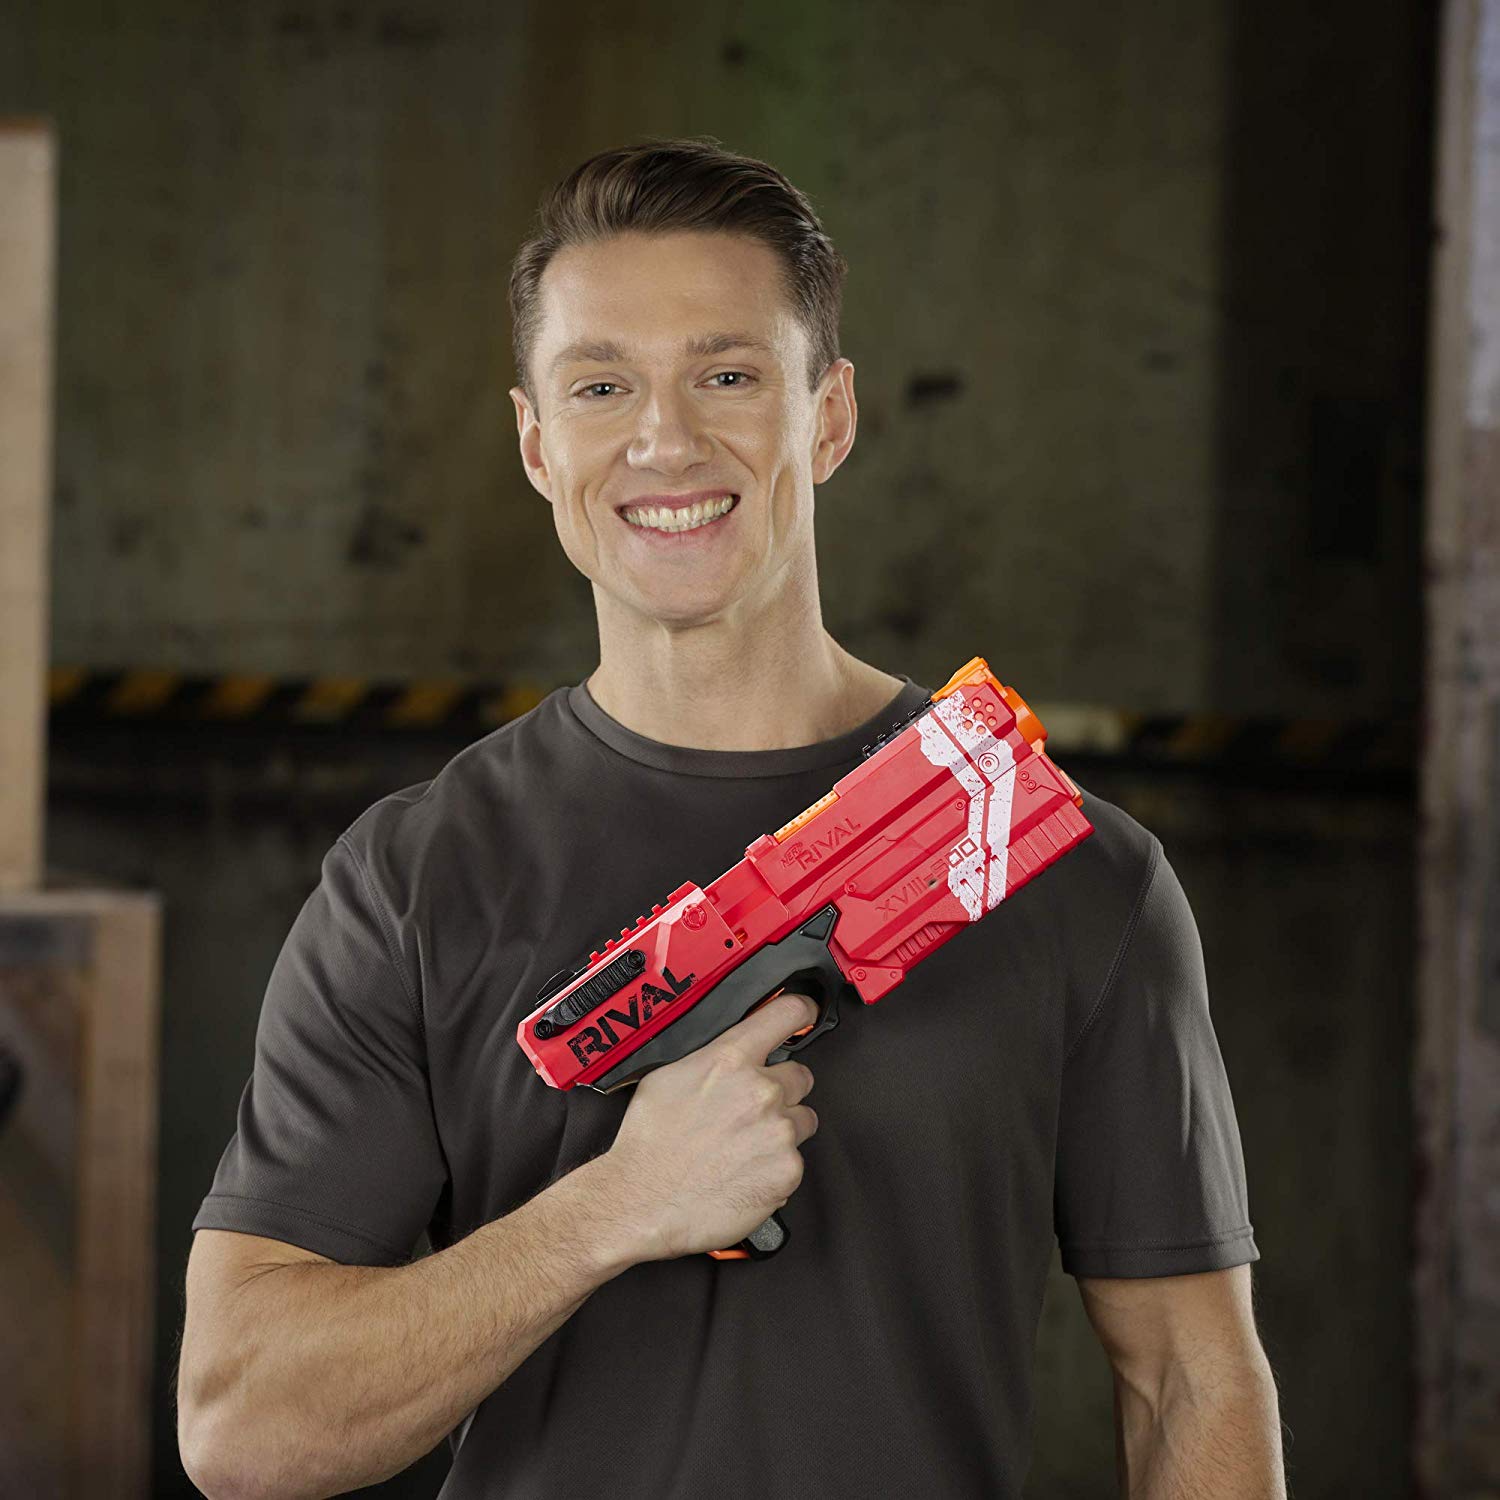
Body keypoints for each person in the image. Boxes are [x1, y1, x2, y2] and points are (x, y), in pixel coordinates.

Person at [177, 136, 1284, 1499]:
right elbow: (240, 1429)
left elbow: (1191, 1379)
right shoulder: (414, 882)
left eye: (728, 375)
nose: (665, 440)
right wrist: (612, 1209)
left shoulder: (1062, 867)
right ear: (536, 444)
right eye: (601, 386)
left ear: (830, 415)